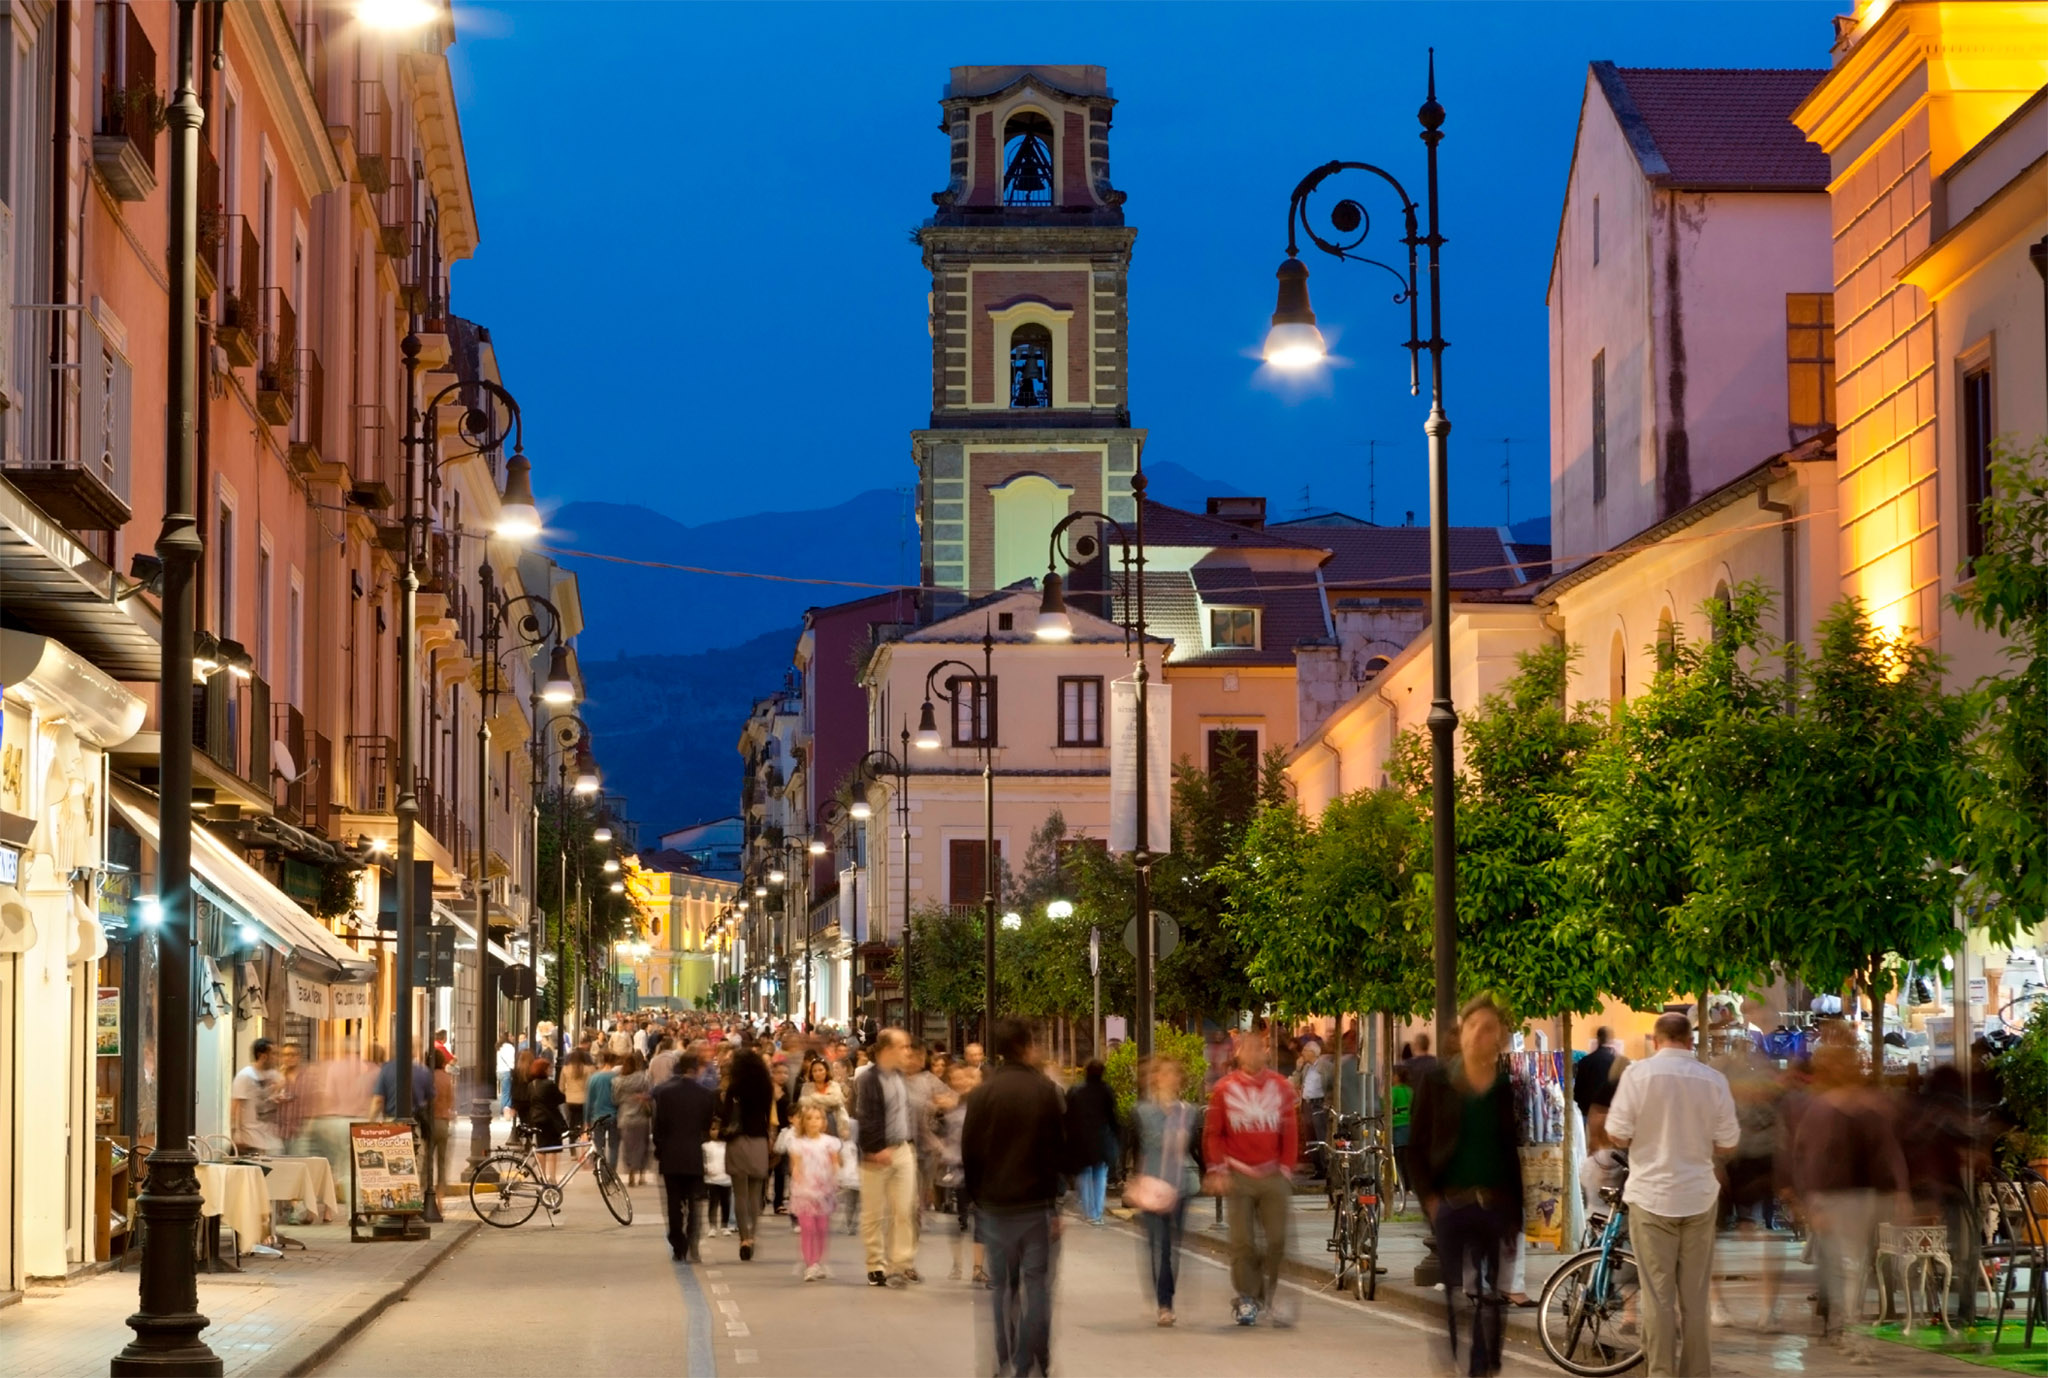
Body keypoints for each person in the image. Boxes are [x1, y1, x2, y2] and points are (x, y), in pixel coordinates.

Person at [1604, 1012, 1739, 1378]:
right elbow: (1728, 1142)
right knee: (1694, 1298)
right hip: (1698, 1195)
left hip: (1651, 1198)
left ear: (1656, 1039)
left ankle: (1661, 1373)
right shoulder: (1713, 1080)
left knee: (1657, 1296)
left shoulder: (1637, 1076)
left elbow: (1617, 1131)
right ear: (1690, 1040)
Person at [1409, 996, 1524, 1378]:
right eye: (1474, 1026)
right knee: (1455, 1294)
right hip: (1451, 1204)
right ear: (1463, 1031)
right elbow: (1417, 1144)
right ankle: (1456, 1358)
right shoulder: (1438, 1080)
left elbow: (1511, 1150)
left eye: (1490, 1028)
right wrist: (1430, 1199)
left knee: (1492, 1295)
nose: (1481, 1034)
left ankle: (1485, 1364)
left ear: (1500, 1037)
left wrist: (1517, 1212)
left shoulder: (1505, 1085)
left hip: (1495, 1204)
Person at [963, 1018, 1068, 1378]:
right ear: (1026, 1047)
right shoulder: (1045, 1091)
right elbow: (1056, 1151)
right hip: (1035, 1205)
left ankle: (1003, 1355)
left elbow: (970, 1151)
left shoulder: (982, 1094)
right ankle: (1026, 1360)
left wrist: (978, 1196)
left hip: (994, 1204)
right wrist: (1055, 1201)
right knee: (1036, 1285)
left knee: (1002, 1287)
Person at [1203, 1023, 1298, 1328]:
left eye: (1260, 1047)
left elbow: (1291, 1130)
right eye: (1249, 1047)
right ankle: (1247, 1296)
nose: (1255, 1053)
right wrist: (1217, 1168)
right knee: (1243, 1241)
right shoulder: (1224, 1089)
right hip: (1239, 1173)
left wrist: (1285, 1167)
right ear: (1239, 1053)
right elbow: (1214, 1134)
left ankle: (1268, 1295)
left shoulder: (1282, 1087)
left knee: (1277, 1240)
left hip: (1272, 1173)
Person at [1132, 1056, 1200, 1326]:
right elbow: (1139, 1145)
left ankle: (1167, 1300)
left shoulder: (1189, 1112)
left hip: (1179, 1184)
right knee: (1157, 1246)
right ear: (1155, 1078)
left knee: (1171, 1248)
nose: (1169, 1078)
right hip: (1151, 1185)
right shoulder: (1142, 1111)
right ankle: (1163, 1302)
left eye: (1174, 1073)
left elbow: (1194, 1149)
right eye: (1164, 1073)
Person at [855, 1028, 920, 1286]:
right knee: (874, 1214)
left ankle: (900, 1263)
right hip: (876, 1154)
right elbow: (865, 1117)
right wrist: (874, 1149)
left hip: (902, 1150)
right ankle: (875, 1264)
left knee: (904, 1210)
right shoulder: (868, 1079)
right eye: (903, 1047)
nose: (908, 1051)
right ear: (887, 1050)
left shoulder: (901, 1076)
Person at [651, 1050, 717, 1263]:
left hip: (670, 1154)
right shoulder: (706, 1095)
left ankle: (677, 1241)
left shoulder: (665, 1094)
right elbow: (707, 1126)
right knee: (694, 1200)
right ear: (697, 1069)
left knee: (673, 1201)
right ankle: (692, 1239)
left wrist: (659, 1147)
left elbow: (658, 1125)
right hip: (694, 1153)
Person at [719, 1042, 776, 1262]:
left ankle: (742, 1238)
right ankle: (752, 1236)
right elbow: (766, 1115)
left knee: (739, 1194)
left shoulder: (734, 1087)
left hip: (737, 1141)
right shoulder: (766, 1086)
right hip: (758, 1140)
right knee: (755, 1194)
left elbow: (726, 1116)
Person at [788, 1103, 843, 1281]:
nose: (814, 1122)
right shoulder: (797, 1143)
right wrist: (798, 1178)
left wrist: (837, 1177)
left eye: (818, 1118)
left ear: (823, 1122)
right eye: (810, 1118)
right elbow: (795, 1165)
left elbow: (835, 1163)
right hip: (804, 1193)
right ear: (804, 1121)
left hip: (824, 1191)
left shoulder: (830, 1142)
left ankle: (818, 1262)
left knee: (821, 1228)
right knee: (808, 1228)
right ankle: (810, 1264)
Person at [1064, 1061, 1119, 1226]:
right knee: (1100, 1174)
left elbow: (1068, 1117)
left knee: (1084, 1175)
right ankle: (1098, 1211)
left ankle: (1089, 1212)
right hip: (1101, 1139)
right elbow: (1112, 1117)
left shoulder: (1076, 1091)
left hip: (1081, 1140)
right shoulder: (1106, 1091)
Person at [1574, 1027, 1627, 1144]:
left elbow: (1577, 1092)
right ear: (1610, 1040)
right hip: (1610, 1113)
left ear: (1597, 1039)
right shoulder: (1615, 1062)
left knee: (1589, 1146)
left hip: (1587, 1113)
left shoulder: (1585, 1061)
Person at [231, 1039, 283, 1155]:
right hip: (252, 1140)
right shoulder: (245, 1076)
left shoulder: (275, 1075)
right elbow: (236, 1105)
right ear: (262, 1056)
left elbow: (275, 1098)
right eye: (274, 1054)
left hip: (273, 1140)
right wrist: (236, 1135)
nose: (277, 1058)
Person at [522, 1057, 569, 1182]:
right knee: (552, 1149)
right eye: (549, 1068)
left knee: (541, 1148)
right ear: (544, 1070)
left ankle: (542, 1175)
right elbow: (560, 1099)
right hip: (551, 1121)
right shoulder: (549, 1084)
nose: (551, 1070)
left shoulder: (531, 1085)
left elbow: (528, 1101)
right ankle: (552, 1177)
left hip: (537, 1120)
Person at [616, 1052, 654, 1187]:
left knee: (628, 1147)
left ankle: (631, 1171)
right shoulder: (644, 1078)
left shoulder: (619, 1081)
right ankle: (642, 1175)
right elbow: (651, 1094)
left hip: (625, 1117)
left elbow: (615, 1099)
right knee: (643, 1146)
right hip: (641, 1116)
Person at [427, 1047, 457, 1190]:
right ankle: (440, 1194)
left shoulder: (429, 1077)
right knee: (442, 1160)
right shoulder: (447, 1078)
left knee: (427, 1159)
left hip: (431, 1121)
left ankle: (426, 1189)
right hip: (444, 1123)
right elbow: (451, 1101)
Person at [586, 1051, 620, 1171]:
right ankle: (612, 1171)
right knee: (614, 1146)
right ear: (614, 1062)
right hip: (613, 1116)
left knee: (599, 1146)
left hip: (597, 1116)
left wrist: (586, 1121)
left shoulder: (594, 1078)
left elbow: (589, 1100)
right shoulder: (616, 1077)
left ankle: (602, 1171)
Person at [1390, 1063, 1415, 1213]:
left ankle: (1399, 1184)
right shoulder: (1410, 1090)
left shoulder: (1393, 1091)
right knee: (1407, 1158)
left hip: (1397, 1125)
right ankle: (1409, 1186)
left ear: (1397, 1077)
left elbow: (1387, 1105)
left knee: (1398, 1157)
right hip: (1409, 1126)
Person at [559, 1045, 592, 1133]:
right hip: (584, 1099)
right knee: (583, 1120)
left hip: (570, 1099)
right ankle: (582, 1139)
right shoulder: (588, 1069)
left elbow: (561, 1087)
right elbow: (590, 1085)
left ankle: (572, 1139)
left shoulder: (565, 1068)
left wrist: (566, 1092)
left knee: (572, 1119)